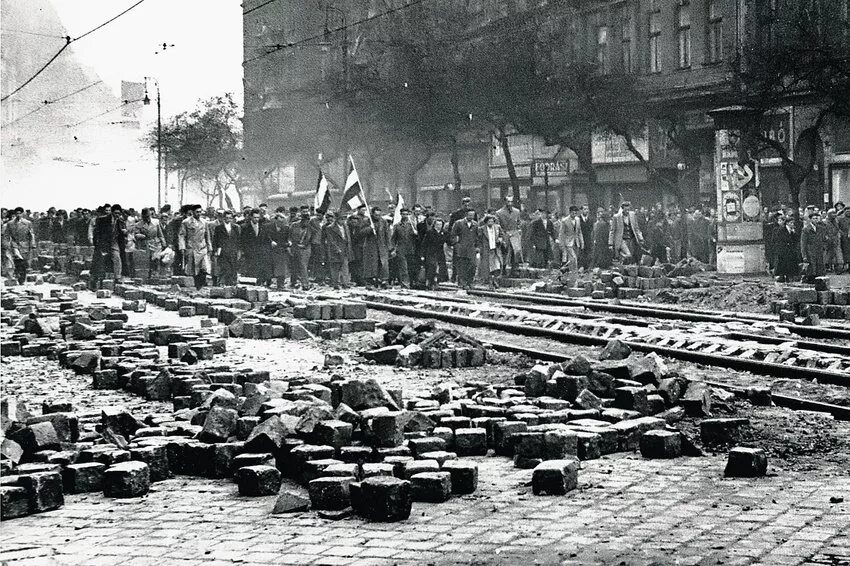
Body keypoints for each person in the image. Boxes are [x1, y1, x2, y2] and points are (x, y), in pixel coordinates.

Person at [91, 204, 127, 288]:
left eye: (119, 213)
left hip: (114, 242)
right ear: (112, 212)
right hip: (104, 243)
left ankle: (117, 277)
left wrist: (124, 232)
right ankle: (97, 280)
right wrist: (97, 244)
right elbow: (97, 232)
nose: (117, 215)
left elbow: (123, 234)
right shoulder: (102, 219)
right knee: (101, 260)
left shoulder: (120, 221)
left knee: (117, 257)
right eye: (115, 213)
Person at [179, 204, 212, 290]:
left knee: (204, 268)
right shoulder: (186, 222)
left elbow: (207, 236)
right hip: (192, 248)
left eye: (200, 212)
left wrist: (209, 247)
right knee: (194, 269)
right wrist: (182, 247)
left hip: (202, 248)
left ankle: (202, 286)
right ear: (193, 212)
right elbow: (182, 235)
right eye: (197, 212)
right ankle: (195, 287)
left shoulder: (205, 222)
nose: (199, 214)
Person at [241, 208, 274, 286]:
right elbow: (242, 241)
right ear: (251, 217)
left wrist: (271, 242)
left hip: (261, 252)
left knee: (261, 269)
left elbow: (267, 238)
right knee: (251, 270)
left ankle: (260, 284)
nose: (256, 219)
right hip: (250, 253)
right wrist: (245, 251)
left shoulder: (263, 227)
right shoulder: (245, 227)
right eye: (255, 217)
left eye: (258, 217)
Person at [360, 207, 391, 288]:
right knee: (371, 265)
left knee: (383, 264)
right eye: (376, 215)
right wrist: (370, 228)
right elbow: (361, 233)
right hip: (370, 247)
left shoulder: (383, 222)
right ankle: (369, 282)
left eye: (379, 215)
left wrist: (389, 247)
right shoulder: (367, 221)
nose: (378, 216)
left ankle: (383, 281)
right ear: (372, 214)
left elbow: (387, 234)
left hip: (381, 246)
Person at [4, 207, 35, 284]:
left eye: (20, 213)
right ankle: (19, 278)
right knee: (18, 262)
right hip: (15, 245)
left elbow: (31, 234)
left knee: (24, 263)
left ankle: (22, 278)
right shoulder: (10, 223)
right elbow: (6, 235)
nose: (18, 215)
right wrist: (6, 244)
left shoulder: (28, 223)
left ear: (22, 213)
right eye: (17, 213)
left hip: (25, 245)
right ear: (15, 214)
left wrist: (33, 244)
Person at [133, 207, 166, 279]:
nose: (147, 218)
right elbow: (135, 235)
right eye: (145, 217)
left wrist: (163, 243)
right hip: (145, 244)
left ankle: (155, 276)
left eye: (148, 216)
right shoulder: (138, 224)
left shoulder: (156, 222)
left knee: (155, 259)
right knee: (146, 262)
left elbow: (160, 233)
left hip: (155, 243)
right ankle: (147, 276)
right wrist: (140, 236)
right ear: (142, 216)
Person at [451, 208, 480, 290]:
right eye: (470, 215)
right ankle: (463, 282)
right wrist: (456, 245)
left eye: (473, 215)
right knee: (462, 267)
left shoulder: (475, 225)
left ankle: (470, 282)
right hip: (462, 248)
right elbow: (453, 235)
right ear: (466, 215)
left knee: (473, 266)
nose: (471, 217)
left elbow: (477, 237)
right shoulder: (458, 223)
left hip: (471, 248)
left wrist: (477, 247)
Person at [322, 210, 351, 289]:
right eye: (341, 219)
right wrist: (336, 248)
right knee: (335, 267)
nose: (343, 221)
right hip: (335, 250)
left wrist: (348, 248)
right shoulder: (330, 228)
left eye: (344, 219)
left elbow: (348, 238)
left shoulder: (346, 226)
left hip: (344, 249)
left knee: (345, 266)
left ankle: (345, 283)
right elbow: (331, 240)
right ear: (337, 219)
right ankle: (335, 283)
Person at [390, 208, 419, 288]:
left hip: (411, 249)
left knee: (411, 268)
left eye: (407, 214)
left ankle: (412, 283)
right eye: (403, 214)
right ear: (401, 215)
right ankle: (405, 284)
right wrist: (393, 249)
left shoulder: (412, 225)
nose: (405, 216)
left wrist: (416, 234)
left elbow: (418, 239)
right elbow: (393, 239)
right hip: (401, 249)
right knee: (403, 268)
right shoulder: (397, 226)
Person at [213, 210, 242, 286]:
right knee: (225, 269)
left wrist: (239, 251)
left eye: (230, 218)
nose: (228, 220)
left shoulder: (236, 227)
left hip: (233, 251)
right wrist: (216, 250)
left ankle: (232, 285)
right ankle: (223, 284)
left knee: (233, 269)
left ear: (232, 218)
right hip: (223, 251)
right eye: (226, 218)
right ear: (223, 218)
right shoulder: (219, 228)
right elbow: (215, 240)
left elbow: (239, 240)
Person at [288, 207, 314, 289]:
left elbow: (311, 239)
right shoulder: (294, 225)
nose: (306, 223)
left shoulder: (310, 227)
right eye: (305, 221)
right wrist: (290, 243)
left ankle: (305, 284)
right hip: (295, 247)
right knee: (294, 266)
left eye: (307, 221)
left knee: (303, 266)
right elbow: (289, 235)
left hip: (305, 249)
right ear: (301, 220)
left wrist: (304, 245)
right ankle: (293, 282)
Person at [495, 196, 522, 275]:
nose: (510, 203)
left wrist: (518, 229)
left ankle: (514, 269)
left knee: (515, 252)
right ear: (505, 202)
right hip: (505, 234)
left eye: (511, 201)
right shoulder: (499, 213)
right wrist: (502, 235)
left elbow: (519, 223)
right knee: (505, 252)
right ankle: (503, 269)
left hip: (514, 234)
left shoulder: (517, 211)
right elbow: (498, 226)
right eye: (508, 201)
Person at [421, 217, 449, 290]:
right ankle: (429, 283)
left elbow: (448, 241)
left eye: (440, 224)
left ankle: (437, 283)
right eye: (437, 224)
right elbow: (424, 244)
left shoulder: (444, 233)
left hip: (440, 252)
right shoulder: (430, 232)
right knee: (431, 267)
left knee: (440, 268)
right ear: (434, 225)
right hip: (431, 252)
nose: (438, 226)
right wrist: (423, 255)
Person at [557, 206, 584, 279]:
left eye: (575, 213)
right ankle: (573, 273)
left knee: (573, 259)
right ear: (570, 212)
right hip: (568, 243)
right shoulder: (564, 221)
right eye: (573, 213)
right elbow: (561, 233)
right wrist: (562, 244)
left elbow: (579, 232)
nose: (574, 214)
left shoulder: (578, 220)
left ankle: (565, 273)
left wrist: (582, 242)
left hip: (576, 242)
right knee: (574, 258)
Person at [479, 214, 504, 289]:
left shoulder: (497, 227)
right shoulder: (482, 229)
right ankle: (490, 281)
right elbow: (479, 239)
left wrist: (500, 239)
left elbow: (501, 235)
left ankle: (495, 280)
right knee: (488, 267)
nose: (491, 223)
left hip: (496, 249)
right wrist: (480, 248)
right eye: (489, 221)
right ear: (486, 222)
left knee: (497, 265)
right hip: (487, 250)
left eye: (492, 221)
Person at [800, 210, 826, 283]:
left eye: (817, 218)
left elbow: (823, 238)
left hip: (819, 250)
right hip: (810, 250)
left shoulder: (820, 228)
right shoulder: (806, 229)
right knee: (811, 267)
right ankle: (809, 280)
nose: (815, 220)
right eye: (814, 218)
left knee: (819, 267)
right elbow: (803, 243)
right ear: (810, 219)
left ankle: (818, 280)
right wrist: (804, 255)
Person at [774, 216, 799, 282]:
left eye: (793, 223)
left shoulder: (792, 231)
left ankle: (789, 276)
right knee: (783, 264)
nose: (792, 224)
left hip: (790, 250)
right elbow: (782, 239)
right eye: (791, 223)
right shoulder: (782, 229)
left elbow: (796, 240)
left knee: (790, 264)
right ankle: (782, 276)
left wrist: (793, 233)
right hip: (783, 250)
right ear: (787, 223)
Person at [347, 205, 368, 285]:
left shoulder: (360, 228)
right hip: (351, 248)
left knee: (359, 264)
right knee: (352, 264)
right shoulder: (348, 228)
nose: (354, 222)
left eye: (356, 221)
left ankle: (360, 280)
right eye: (353, 221)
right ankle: (353, 279)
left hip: (359, 248)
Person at [823, 208, 844, 273]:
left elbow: (837, 229)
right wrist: (826, 237)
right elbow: (823, 231)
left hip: (836, 240)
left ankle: (838, 268)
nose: (834, 215)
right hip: (828, 240)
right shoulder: (824, 221)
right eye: (832, 213)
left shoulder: (836, 221)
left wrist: (840, 233)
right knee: (828, 254)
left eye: (835, 213)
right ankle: (827, 267)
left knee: (837, 254)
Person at [578, 204, 594, 269]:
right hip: (580, 239)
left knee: (588, 254)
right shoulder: (578, 219)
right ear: (581, 210)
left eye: (587, 209)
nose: (586, 211)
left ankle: (587, 268)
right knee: (581, 254)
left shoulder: (590, 219)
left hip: (588, 239)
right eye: (585, 209)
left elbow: (592, 229)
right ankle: (580, 267)